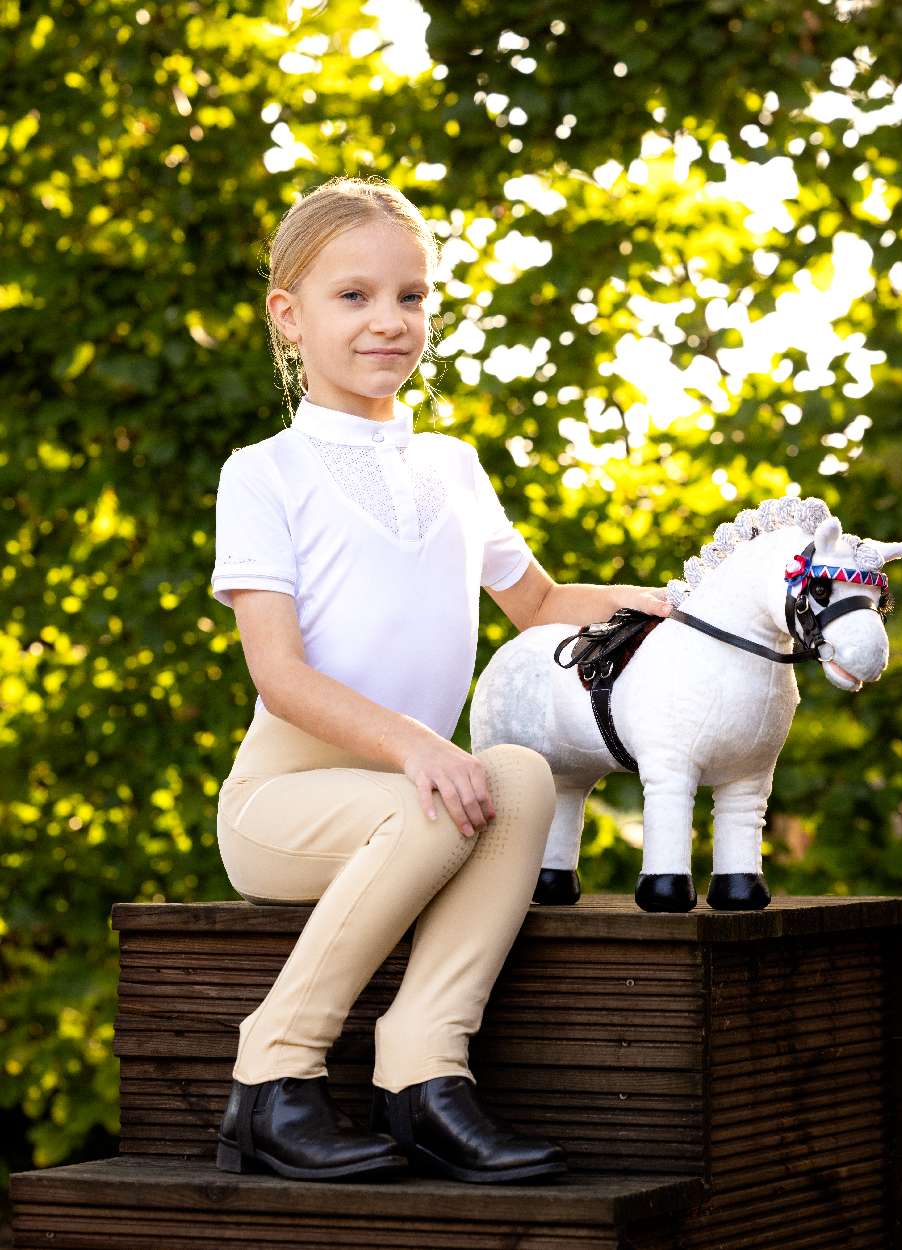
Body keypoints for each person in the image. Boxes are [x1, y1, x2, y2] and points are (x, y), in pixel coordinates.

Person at [210, 175, 673, 1186]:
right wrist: (418, 746)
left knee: (512, 773)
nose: (389, 320)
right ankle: (271, 1074)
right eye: (354, 296)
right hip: (284, 799)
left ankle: (422, 1074)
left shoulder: (453, 466)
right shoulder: (264, 473)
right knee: (446, 795)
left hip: (412, 792)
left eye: (411, 296)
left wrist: (678, 605)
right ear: (288, 316)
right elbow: (280, 676)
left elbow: (541, 604)